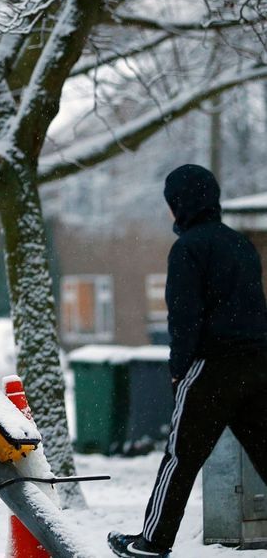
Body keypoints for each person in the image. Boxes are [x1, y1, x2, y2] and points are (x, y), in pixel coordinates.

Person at [108, 165, 267, 557]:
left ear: (179, 203)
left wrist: (179, 370)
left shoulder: (188, 249)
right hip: (259, 364)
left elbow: (183, 317)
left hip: (211, 366)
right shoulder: (242, 245)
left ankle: (152, 543)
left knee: (180, 458)